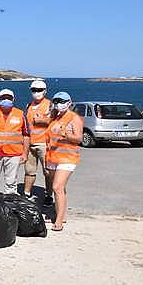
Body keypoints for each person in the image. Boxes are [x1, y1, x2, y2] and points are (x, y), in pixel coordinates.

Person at [0, 89, 30, 194]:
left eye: (9, 98)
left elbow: (26, 135)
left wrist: (25, 154)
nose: (6, 100)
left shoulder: (21, 114)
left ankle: (10, 205)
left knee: (11, 183)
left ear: (13, 99)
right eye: (3, 98)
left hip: (14, 154)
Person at [46, 92, 83, 231]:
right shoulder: (54, 118)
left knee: (57, 187)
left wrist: (66, 134)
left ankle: (59, 221)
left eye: (62, 101)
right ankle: (62, 214)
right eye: (56, 101)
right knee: (60, 188)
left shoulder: (74, 118)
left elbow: (78, 138)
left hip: (67, 158)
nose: (58, 104)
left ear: (69, 103)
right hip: (53, 157)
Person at [23, 79, 53, 205]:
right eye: (34, 90)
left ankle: (48, 195)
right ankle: (26, 194)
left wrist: (45, 120)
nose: (36, 92)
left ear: (45, 91)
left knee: (47, 171)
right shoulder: (28, 106)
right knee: (29, 171)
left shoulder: (49, 104)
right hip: (30, 143)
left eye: (39, 90)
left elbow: (55, 120)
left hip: (44, 143)